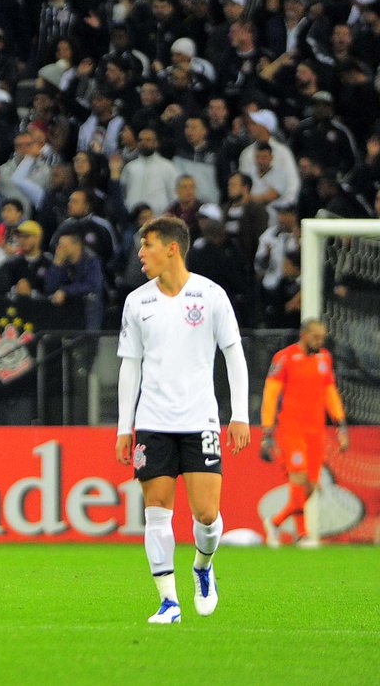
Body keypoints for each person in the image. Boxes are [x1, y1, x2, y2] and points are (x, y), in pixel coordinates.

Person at [116, 216, 250, 625]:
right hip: (153, 422)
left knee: (207, 515)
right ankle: (168, 602)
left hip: (200, 420)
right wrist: (125, 426)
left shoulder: (211, 296)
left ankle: (203, 567)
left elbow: (234, 355)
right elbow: (129, 367)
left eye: (148, 245)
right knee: (156, 510)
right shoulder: (137, 302)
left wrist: (239, 414)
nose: (141, 254)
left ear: (172, 248)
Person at [259, 320, 350, 548]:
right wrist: (267, 429)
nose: (319, 342)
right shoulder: (284, 358)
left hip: (316, 430)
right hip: (292, 428)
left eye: (322, 338)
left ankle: (275, 522)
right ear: (304, 335)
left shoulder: (324, 358)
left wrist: (340, 423)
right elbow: (271, 394)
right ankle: (303, 533)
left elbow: (329, 391)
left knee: (310, 485)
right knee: (298, 477)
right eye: (315, 337)